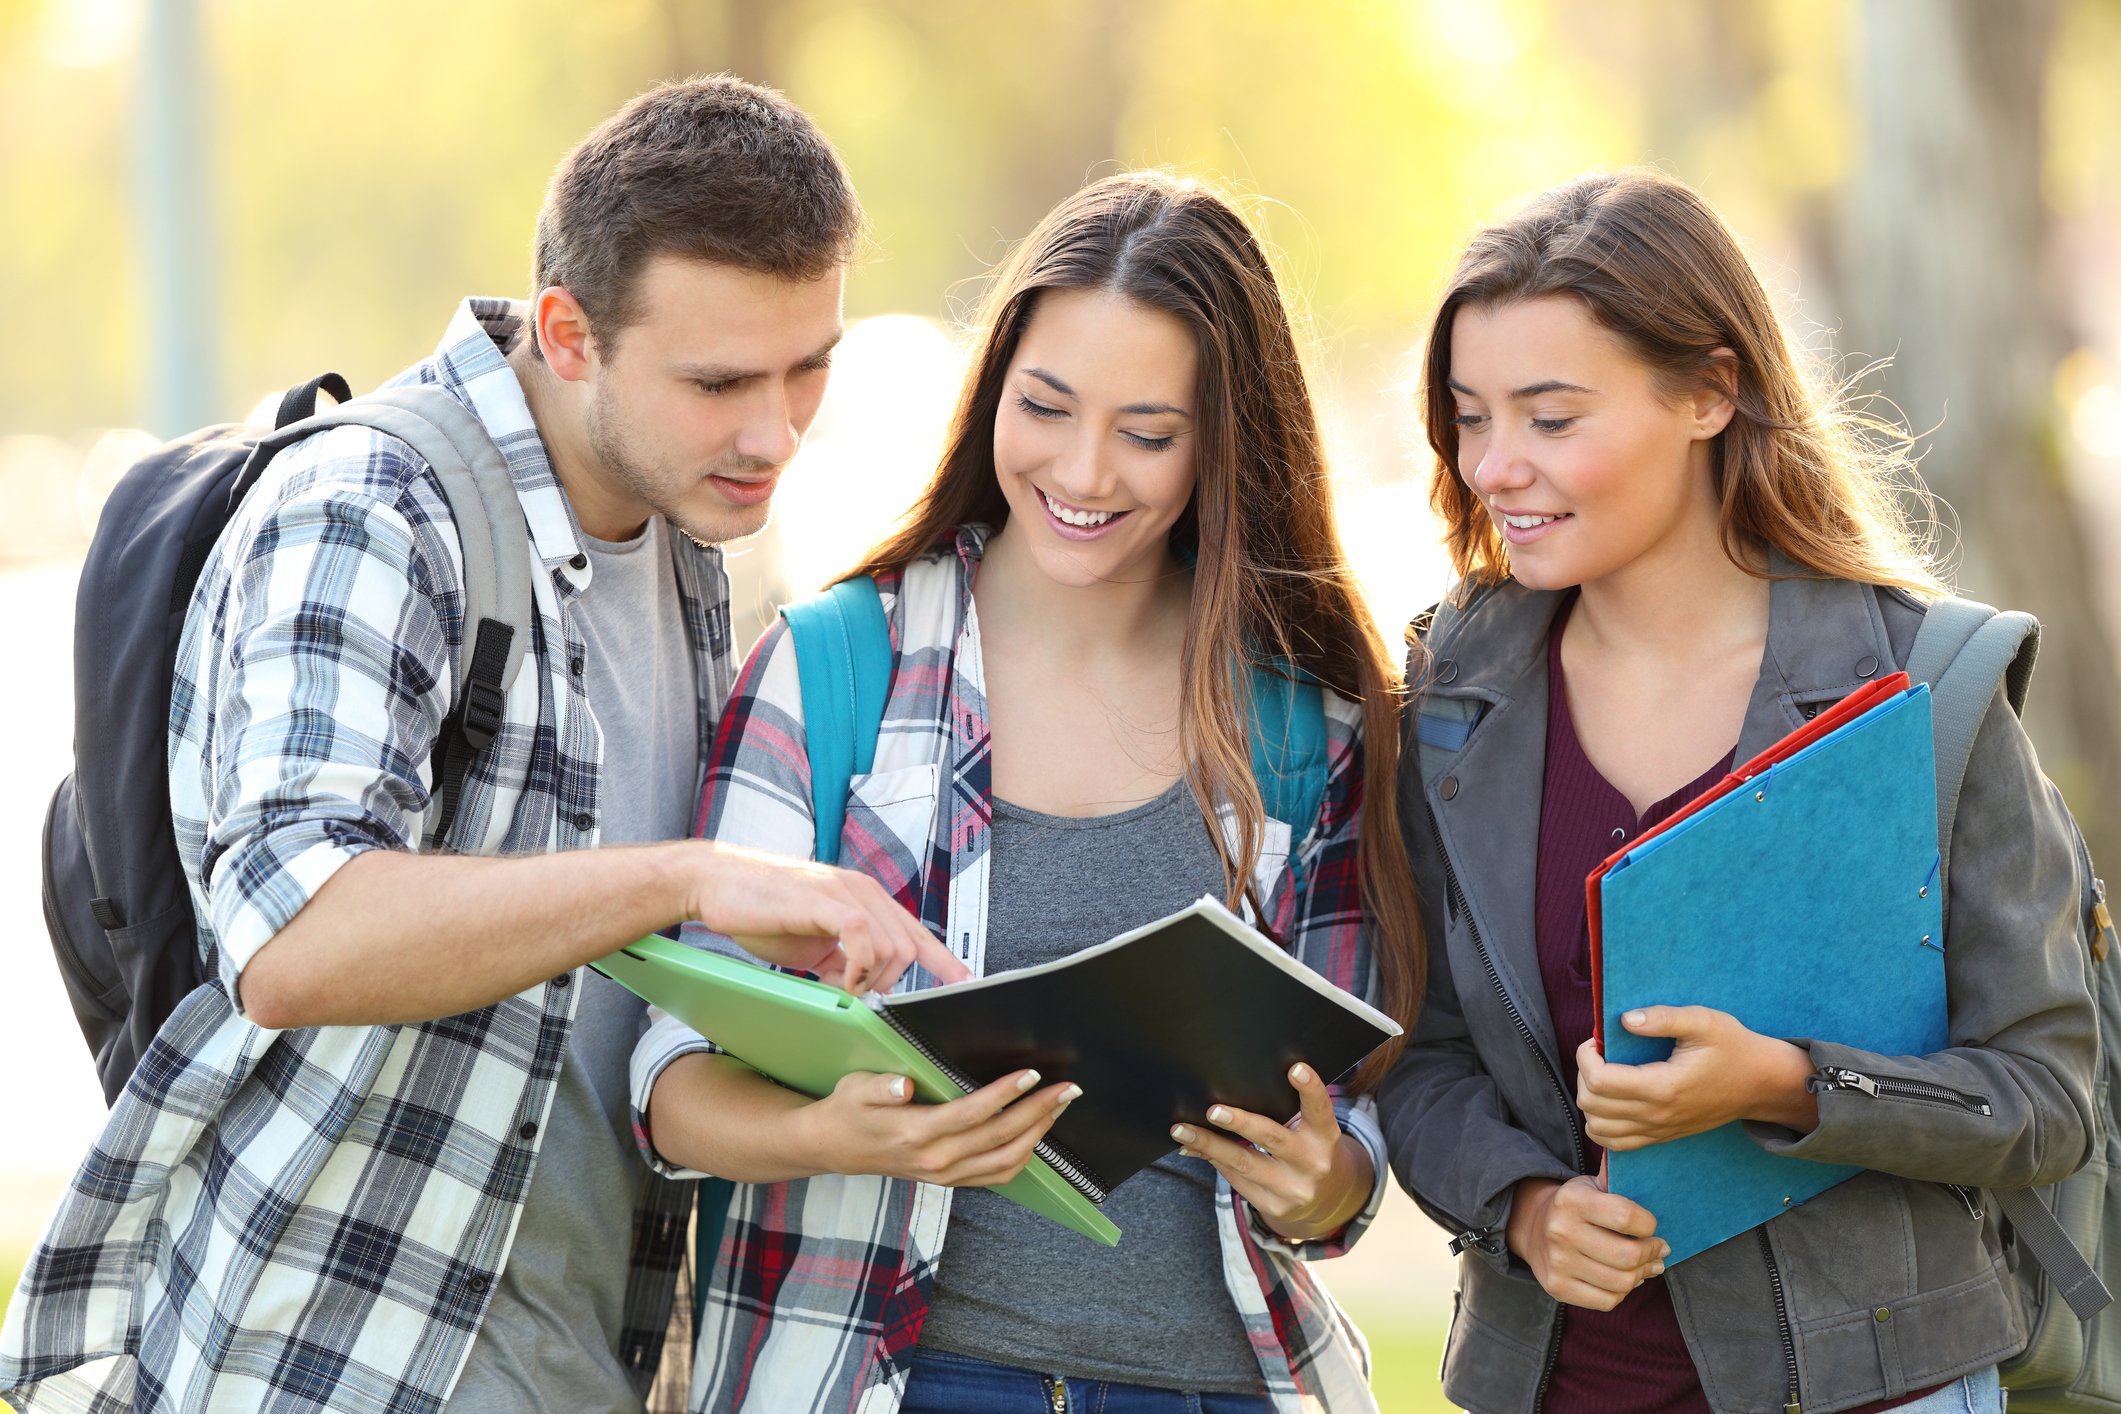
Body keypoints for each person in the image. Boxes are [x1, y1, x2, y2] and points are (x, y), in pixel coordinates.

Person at [0, 76, 962, 1414]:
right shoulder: (376, 509)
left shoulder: (688, 535)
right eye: (719, 380)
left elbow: (609, 995)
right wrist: (682, 878)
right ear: (568, 334)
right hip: (332, 1362)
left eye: (810, 367)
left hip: (576, 1359)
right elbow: (295, 938)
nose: (775, 431)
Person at [629, 171, 1425, 1414]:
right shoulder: (834, 670)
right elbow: (672, 1088)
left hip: (1219, 1386)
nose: (1084, 469)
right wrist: (843, 1134)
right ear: (994, 387)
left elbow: (1355, 1133)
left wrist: (1324, 1179)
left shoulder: (1304, 725)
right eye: (1044, 406)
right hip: (891, 1375)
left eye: (1149, 433)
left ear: (1226, 441)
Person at [1376, 167, 2098, 1414]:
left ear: (1711, 392)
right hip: (1555, 1383)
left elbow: (2048, 1097)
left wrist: (1786, 1083)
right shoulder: (1449, 695)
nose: (1495, 466)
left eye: (1551, 419)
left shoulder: (1920, 688)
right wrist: (1528, 1207)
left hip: (1885, 1386)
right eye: (1470, 416)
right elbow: (1421, 1060)